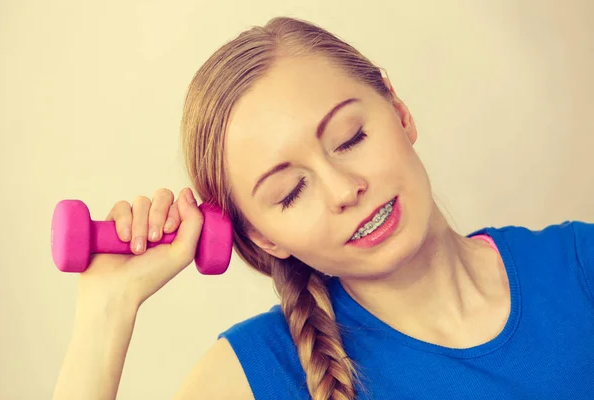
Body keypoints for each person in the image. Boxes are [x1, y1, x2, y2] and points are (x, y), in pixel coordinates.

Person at [52, 16, 594, 400]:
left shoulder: (580, 265)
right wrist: (106, 310)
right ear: (264, 238)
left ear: (399, 110)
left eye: (351, 137)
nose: (343, 189)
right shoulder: (261, 371)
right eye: (290, 192)